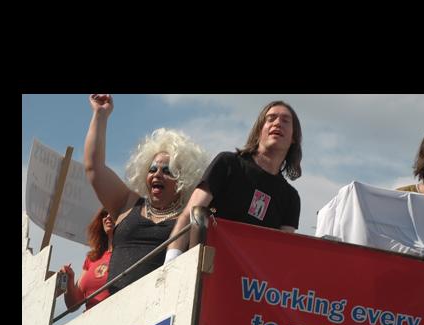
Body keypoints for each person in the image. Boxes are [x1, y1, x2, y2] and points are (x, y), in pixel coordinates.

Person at [84, 94, 209, 294]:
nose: (157, 174)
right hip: (115, 307)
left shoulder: (188, 218)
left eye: (167, 171)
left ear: (182, 180)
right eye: (152, 169)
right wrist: (100, 114)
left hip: (162, 307)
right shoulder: (127, 203)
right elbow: (94, 168)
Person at [165, 100, 303, 262]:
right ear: (259, 130)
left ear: (294, 138)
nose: (277, 123)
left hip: (249, 277)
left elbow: (282, 254)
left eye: (285, 120)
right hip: (205, 267)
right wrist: (170, 264)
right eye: (271, 118)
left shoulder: (291, 198)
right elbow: (190, 214)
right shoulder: (227, 164)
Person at [59, 208, 114, 311]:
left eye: (113, 213)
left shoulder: (126, 252)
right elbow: (72, 305)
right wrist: (69, 280)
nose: (108, 217)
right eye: (105, 214)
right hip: (91, 319)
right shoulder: (92, 258)